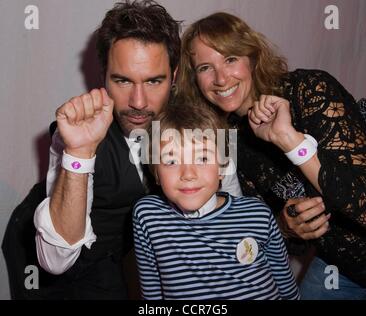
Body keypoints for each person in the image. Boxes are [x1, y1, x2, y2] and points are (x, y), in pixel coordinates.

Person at [32, 1, 241, 300]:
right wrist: (80, 152)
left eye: (154, 81)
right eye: (122, 80)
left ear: (174, 74)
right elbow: (55, 262)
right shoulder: (76, 133)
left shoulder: (204, 126)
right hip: (83, 278)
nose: (139, 102)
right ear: (104, 74)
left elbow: (231, 215)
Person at [175, 12, 366, 299]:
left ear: (251, 58)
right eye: (205, 67)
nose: (221, 78)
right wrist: (286, 226)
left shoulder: (309, 90)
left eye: (230, 59)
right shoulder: (227, 143)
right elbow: (263, 237)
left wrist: (289, 140)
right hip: (341, 267)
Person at [133, 103, 300, 300]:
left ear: (222, 167)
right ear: (156, 174)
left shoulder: (257, 214)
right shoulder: (148, 216)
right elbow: (151, 294)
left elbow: (286, 285)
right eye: (171, 161)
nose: (188, 174)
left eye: (202, 158)